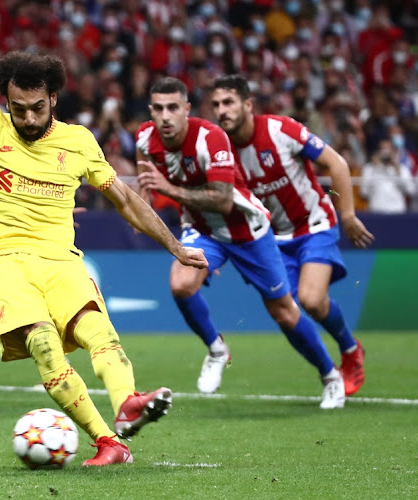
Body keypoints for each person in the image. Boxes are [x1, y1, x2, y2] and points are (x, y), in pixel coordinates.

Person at [0, 52, 208, 466]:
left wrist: (176, 246)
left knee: (96, 329)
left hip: (61, 260)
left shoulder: (78, 141)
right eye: (17, 108)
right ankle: (107, 441)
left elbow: (126, 200)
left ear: (53, 98)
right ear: (6, 100)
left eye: (37, 108)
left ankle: (128, 402)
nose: (28, 118)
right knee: (43, 344)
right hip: (3, 260)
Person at [136, 77, 345, 409]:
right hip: (205, 233)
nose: (165, 116)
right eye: (159, 108)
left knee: (284, 312)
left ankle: (330, 376)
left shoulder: (211, 138)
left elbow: (221, 200)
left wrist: (167, 188)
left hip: (248, 231)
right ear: (151, 110)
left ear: (186, 110)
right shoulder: (145, 137)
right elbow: (146, 170)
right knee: (181, 284)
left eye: (173, 108)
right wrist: (145, 197)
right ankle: (217, 349)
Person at [210, 74, 375, 396]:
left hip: (314, 224)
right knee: (286, 315)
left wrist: (349, 215)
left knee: (312, 300)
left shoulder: (280, 129)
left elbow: (337, 163)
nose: (221, 110)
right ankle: (328, 375)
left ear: (247, 104)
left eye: (228, 102)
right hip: (271, 240)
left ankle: (351, 350)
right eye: (216, 104)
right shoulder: (220, 149)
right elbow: (224, 203)